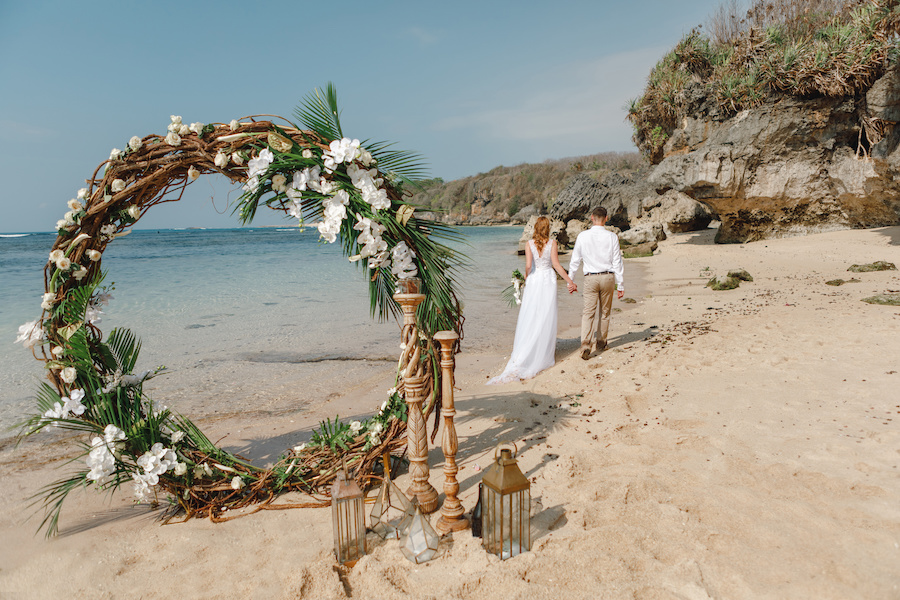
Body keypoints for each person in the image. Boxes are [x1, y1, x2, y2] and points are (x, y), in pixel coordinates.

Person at [489, 217, 577, 383]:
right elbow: (557, 265)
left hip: (535, 280)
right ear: (547, 228)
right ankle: (543, 353)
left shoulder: (529, 244)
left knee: (532, 315)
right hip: (548, 279)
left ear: (536, 228)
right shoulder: (552, 243)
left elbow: (528, 266)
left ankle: (528, 349)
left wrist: (525, 279)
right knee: (546, 315)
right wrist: (569, 281)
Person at [567, 206, 624, 360]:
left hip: (590, 278)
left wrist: (570, 280)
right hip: (608, 277)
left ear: (592, 217)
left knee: (588, 313)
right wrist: (621, 284)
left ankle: (585, 344)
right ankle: (601, 343)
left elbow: (575, 260)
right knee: (604, 313)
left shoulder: (583, 236)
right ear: (606, 218)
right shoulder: (612, 236)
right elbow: (617, 261)